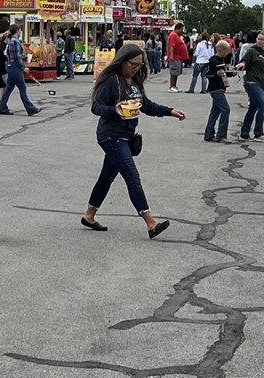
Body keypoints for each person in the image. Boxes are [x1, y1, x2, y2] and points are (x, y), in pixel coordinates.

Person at [82, 43, 186, 237]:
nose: (137, 68)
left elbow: (146, 105)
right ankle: (151, 223)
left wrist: (170, 111)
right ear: (122, 61)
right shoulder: (112, 81)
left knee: (106, 177)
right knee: (132, 176)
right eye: (133, 64)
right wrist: (114, 110)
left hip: (127, 136)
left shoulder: (135, 81)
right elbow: (96, 107)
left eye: (140, 65)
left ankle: (89, 215)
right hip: (111, 136)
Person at [235, 31, 264, 142]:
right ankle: (258, 133)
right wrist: (242, 64)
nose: (259, 41)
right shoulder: (251, 51)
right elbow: (244, 61)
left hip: (261, 82)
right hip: (252, 82)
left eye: (262, 39)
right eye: (258, 39)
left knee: (253, 108)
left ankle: (244, 133)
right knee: (262, 106)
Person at [0, 25, 41, 116]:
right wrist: (23, 67)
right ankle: (30, 108)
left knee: (9, 88)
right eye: (20, 30)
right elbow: (16, 57)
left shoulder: (11, 41)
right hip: (15, 67)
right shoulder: (15, 41)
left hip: (11, 66)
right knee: (22, 87)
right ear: (17, 31)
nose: (21, 32)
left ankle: (1, 107)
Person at [203, 40, 234, 142]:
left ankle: (209, 134)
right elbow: (208, 74)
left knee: (215, 112)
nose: (227, 53)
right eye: (226, 51)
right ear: (221, 50)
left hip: (220, 87)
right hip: (216, 88)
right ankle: (221, 135)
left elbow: (223, 73)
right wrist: (217, 73)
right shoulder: (213, 61)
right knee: (225, 110)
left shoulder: (221, 60)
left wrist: (230, 74)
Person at [166, 22, 189, 93]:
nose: (182, 31)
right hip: (175, 57)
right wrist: (171, 56)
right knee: (174, 72)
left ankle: (174, 86)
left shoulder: (177, 35)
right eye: (181, 29)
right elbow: (172, 46)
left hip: (178, 57)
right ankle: (171, 86)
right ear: (177, 29)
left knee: (176, 72)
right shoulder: (173, 35)